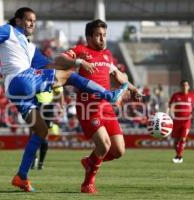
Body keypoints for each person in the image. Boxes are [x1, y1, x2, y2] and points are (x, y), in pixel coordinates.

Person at [0, 7, 128, 192]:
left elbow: (51, 64)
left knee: (41, 130)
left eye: (34, 20)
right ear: (18, 21)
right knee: (70, 76)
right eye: (29, 20)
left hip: (16, 92)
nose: (33, 23)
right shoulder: (8, 30)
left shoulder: (30, 47)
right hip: (21, 79)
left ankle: (21, 176)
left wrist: (71, 67)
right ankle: (108, 95)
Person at [55, 19, 143, 193]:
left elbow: (118, 76)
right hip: (88, 107)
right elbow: (59, 60)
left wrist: (132, 89)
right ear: (89, 37)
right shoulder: (81, 50)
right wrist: (78, 62)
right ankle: (87, 184)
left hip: (106, 107)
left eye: (104, 35)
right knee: (104, 145)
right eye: (98, 35)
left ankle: (90, 161)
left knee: (118, 151)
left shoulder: (107, 55)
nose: (102, 39)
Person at [168, 80, 194, 164]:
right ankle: (179, 156)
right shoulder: (176, 95)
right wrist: (170, 114)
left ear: (188, 86)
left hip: (186, 121)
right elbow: (170, 106)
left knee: (183, 139)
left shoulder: (192, 96)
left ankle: (178, 157)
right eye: (183, 85)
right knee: (175, 141)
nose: (185, 86)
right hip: (176, 121)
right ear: (180, 86)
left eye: (186, 85)